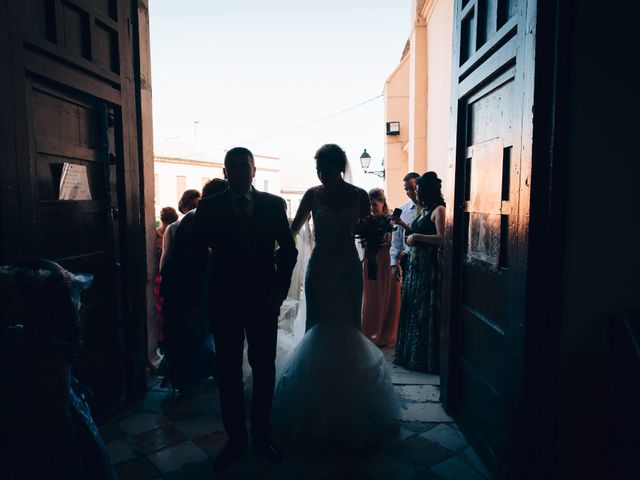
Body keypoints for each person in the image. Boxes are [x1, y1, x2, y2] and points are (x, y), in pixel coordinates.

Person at [273, 144, 399, 451]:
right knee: (318, 325)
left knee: (348, 327)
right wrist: (276, 251)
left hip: (346, 269)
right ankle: (312, 399)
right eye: (318, 170)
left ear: (339, 168)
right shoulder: (312, 195)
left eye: (325, 169)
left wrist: (370, 250)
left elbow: (368, 231)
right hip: (320, 269)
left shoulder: (358, 196)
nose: (321, 175)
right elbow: (292, 230)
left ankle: (350, 397)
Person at [188, 147, 297, 472]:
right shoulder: (208, 207)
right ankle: (235, 440)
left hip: (263, 300)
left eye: (243, 167)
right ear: (225, 172)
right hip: (224, 300)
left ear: (253, 170)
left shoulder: (273, 204)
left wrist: (279, 287)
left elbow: (288, 250)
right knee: (228, 371)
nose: (237, 172)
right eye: (231, 167)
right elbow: (196, 257)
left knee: (264, 368)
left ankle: (262, 436)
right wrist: (195, 303)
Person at [0, 259, 116, 480]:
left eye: (9, 299)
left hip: (46, 438)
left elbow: (55, 411)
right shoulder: (18, 334)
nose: (3, 306)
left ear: (32, 303)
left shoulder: (51, 348)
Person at [158, 180, 227, 394]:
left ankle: (192, 376)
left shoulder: (195, 218)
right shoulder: (195, 220)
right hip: (188, 286)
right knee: (191, 333)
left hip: (187, 284)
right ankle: (187, 378)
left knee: (195, 334)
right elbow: (196, 260)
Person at [393, 171, 445, 373]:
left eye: (419, 189)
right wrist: (407, 230)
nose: (416, 193)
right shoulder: (424, 210)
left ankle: (424, 359)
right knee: (412, 310)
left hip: (428, 267)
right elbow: (416, 232)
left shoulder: (439, 210)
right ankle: (410, 355)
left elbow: (441, 237)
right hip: (415, 266)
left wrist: (417, 238)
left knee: (424, 313)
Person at [361, 188, 401, 347]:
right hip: (371, 259)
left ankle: (386, 333)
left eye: (374, 205)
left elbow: (397, 243)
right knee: (372, 298)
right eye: (369, 205)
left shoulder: (391, 220)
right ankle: (371, 332)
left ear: (383, 203)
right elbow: (362, 242)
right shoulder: (366, 220)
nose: (372, 209)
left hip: (387, 260)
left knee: (388, 295)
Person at [390, 172, 421, 284]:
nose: (409, 193)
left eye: (412, 188)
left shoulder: (430, 209)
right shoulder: (402, 210)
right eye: (406, 189)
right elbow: (396, 239)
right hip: (407, 259)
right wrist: (394, 263)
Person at [159, 189, 201, 273]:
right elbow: (165, 256)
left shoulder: (173, 228)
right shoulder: (173, 228)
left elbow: (166, 256)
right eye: (192, 206)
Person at [154, 206, 178, 350]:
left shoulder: (175, 232)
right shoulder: (154, 235)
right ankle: (161, 338)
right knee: (159, 310)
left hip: (168, 275)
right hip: (158, 276)